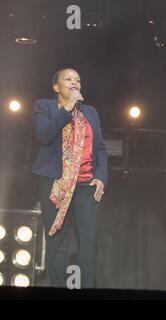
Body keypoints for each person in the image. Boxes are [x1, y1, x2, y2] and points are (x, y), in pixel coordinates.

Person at [32, 68, 108, 288]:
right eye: (68, 79)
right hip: (55, 184)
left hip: (86, 185)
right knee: (57, 241)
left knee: (88, 243)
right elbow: (44, 136)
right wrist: (66, 108)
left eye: (78, 80)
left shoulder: (90, 112)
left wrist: (101, 176)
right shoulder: (44, 107)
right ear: (56, 87)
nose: (74, 83)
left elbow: (100, 149)